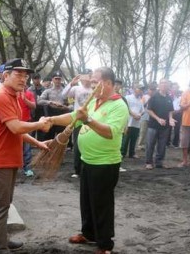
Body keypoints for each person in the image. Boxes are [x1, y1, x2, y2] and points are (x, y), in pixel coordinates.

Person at [46, 67, 129, 254]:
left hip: (105, 163)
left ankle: (105, 244)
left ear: (107, 83)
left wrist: (89, 120)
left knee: (102, 204)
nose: (91, 86)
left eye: (94, 82)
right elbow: (74, 116)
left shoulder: (119, 105)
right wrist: (51, 119)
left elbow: (110, 132)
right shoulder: (94, 101)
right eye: (91, 82)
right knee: (87, 200)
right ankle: (89, 233)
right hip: (88, 160)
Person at [0, 58, 50, 254]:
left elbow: (18, 130)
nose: (23, 79)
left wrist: (37, 143)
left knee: (5, 203)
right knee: (0, 206)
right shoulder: (2, 96)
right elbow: (16, 127)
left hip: (9, 159)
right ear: (6, 75)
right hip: (0, 159)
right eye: (18, 74)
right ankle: (0, 248)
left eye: (25, 75)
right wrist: (39, 124)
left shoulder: (14, 96)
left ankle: (2, 241)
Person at [61, 71, 93, 178]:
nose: (87, 78)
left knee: (89, 143)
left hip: (92, 120)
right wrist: (71, 83)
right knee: (78, 144)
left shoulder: (94, 89)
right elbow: (63, 95)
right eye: (84, 76)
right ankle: (77, 170)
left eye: (89, 75)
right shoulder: (76, 88)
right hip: (78, 120)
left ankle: (88, 168)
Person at [145, 79, 176, 169]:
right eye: (162, 83)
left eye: (166, 83)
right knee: (150, 144)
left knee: (162, 145)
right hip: (153, 125)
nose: (164, 85)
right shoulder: (154, 96)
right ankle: (149, 162)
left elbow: (170, 111)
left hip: (165, 126)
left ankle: (159, 162)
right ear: (159, 85)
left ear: (168, 86)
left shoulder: (169, 98)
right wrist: (158, 119)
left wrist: (170, 119)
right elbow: (149, 110)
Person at [38, 71, 69, 140]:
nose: (58, 81)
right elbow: (39, 101)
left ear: (61, 80)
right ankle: (48, 150)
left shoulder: (66, 91)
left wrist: (66, 107)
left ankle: (61, 150)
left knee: (61, 137)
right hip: (50, 115)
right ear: (52, 79)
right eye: (56, 79)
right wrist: (50, 102)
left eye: (59, 79)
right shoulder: (47, 91)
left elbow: (72, 104)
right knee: (49, 137)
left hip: (62, 115)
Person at [121, 84, 145, 159]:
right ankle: (122, 153)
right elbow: (125, 107)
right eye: (139, 89)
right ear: (134, 89)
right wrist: (133, 115)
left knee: (134, 138)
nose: (140, 91)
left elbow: (143, 110)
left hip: (137, 123)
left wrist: (139, 115)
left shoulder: (140, 100)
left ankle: (132, 153)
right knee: (125, 139)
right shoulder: (128, 97)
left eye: (142, 89)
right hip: (128, 122)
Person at [28, 73, 46, 141]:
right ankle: (32, 142)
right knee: (32, 127)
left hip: (42, 110)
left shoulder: (44, 89)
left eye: (38, 78)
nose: (37, 80)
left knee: (41, 127)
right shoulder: (29, 89)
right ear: (32, 80)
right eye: (35, 79)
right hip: (33, 111)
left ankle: (40, 142)